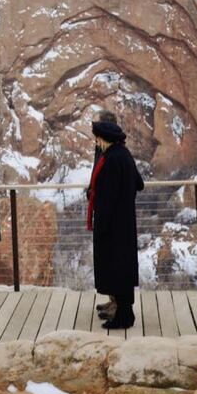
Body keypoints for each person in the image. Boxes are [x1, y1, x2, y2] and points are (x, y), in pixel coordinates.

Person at [88, 119, 143, 330]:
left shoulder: (111, 160)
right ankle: (123, 311)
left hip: (113, 226)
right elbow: (139, 183)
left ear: (104, 139)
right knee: (123, 268)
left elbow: (108, 197)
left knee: (117, 269)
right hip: (125, 223)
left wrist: (100, 222)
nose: (97, 142)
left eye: (98, 138)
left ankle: (124, 317)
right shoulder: (124, 155)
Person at [91, 110, 119, 320]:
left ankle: (118, 303)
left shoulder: (116, 152)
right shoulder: (101, 149)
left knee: (112, 259)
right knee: (105, 259)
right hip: (101, 209)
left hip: (111, 215)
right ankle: (112, 299)